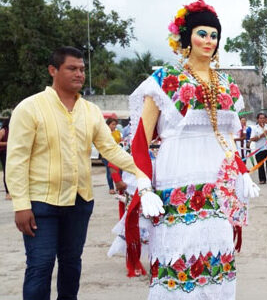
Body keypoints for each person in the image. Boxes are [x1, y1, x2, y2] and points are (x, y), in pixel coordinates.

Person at [125, 0, 259, 298]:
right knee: (180, 253)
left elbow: (227, 138)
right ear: (186, 37)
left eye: (214, 35)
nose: (209, 41)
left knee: (218, 251)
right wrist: (144, 187)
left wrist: (242, 171)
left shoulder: (227, 85)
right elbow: (139, 142)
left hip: (218, 182)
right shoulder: (163, 81)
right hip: (177, 175)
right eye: (202, 33)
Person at [6, 46, 157, 300]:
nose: (79, 74)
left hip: (79, 202)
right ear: (53, 70)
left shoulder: (90, 111)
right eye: (72, 69)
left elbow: (109, 148)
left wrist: (141, 172)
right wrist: (21, 205)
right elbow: (17, 160)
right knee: (40, 266)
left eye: (82, 70)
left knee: (71, 264)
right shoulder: (29, 108)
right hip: (41, 204)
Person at [103, 117, 122, 194]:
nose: (114, 126)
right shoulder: (104, 133)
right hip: (107, 154)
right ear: (108, 125)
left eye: (115, 124)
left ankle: (118, 185)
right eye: (112, 124)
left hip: (117, 153)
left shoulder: (117, 132)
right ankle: (111, 188)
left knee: (119, 170)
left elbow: (120, 141)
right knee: (110, 171)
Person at [0, 116, 10, 200]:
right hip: (4, 153)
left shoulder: (12, 131)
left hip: (11, 152)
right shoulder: (3, 131)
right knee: (6, 172)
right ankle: (7, 193)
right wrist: (8, 143)